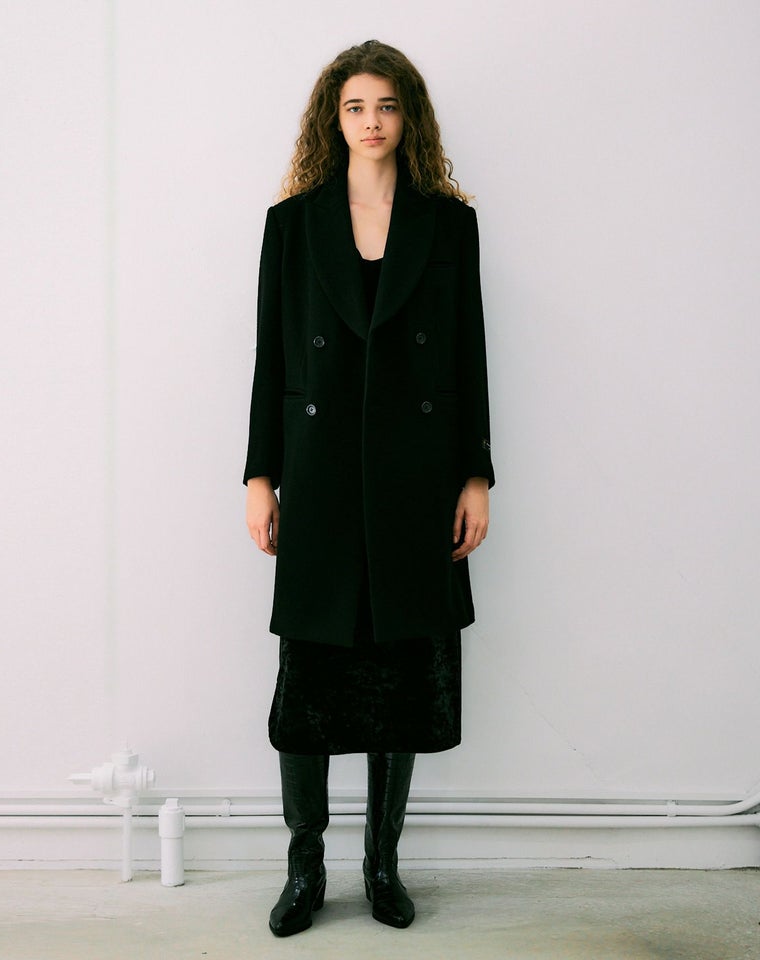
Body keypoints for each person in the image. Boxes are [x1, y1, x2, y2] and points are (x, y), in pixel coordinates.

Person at [244, 39, 494, 937]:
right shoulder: (292, 223)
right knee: (309, 684)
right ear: (334, 118)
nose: (372, 121)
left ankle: (381, 865)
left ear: (407, 116)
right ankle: (304, 867)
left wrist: (476, 474)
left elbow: (467, 355)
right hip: (318, 476)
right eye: (356, 107)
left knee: (399, 676)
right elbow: (272, 358)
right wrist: (260, 476)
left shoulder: (448, 224)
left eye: (387, 105)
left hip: (414, 477)